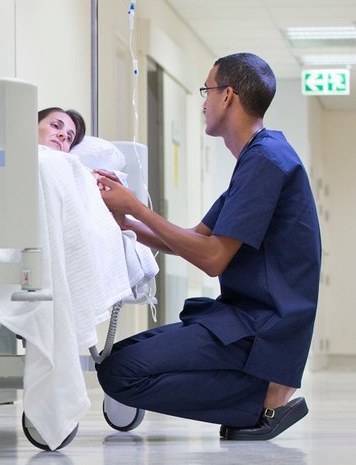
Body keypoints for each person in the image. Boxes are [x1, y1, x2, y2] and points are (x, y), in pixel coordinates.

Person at [94, 53, 321, 441]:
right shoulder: (260, 158)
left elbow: (212, 259)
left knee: (119, 372)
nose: (203, 102)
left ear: (228, 96)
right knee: (118, 360)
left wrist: (134, 206)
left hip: (260, 330)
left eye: (207, 90)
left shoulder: (265, 161)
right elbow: (197, 237)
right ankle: (260, 393)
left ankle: (266, 400)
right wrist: (126, 221)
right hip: (249, 320)